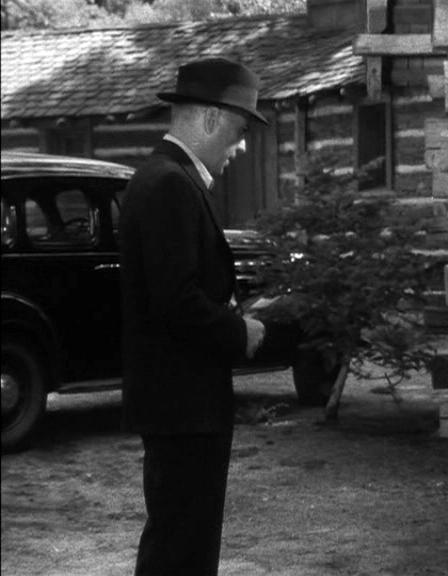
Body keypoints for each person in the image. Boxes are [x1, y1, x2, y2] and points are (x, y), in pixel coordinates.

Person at [119, 57, 268, 576]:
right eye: (239, 131)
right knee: (179, 551)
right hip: (182, 407)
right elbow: (176, 301)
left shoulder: (171, 178)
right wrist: (240, 331)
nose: (241, 146)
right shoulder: (168, 183)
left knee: (183, 545)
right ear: (209, 118)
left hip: (183, 405)